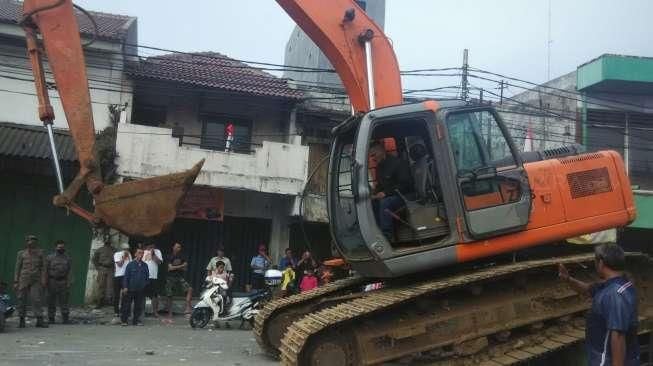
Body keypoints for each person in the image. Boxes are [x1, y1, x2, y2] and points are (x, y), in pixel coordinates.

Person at [558, 244, 639, 366]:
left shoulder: (614, 294)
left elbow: (618, 336)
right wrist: (568, 279)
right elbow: (587, 289)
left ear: (601, 263)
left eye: (595, 260)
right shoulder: (616, 284)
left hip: (606, 361)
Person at [369, 141, 412, 240]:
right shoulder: (379, 167)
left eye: (374, 155)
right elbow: (380, 185)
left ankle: (387, 236)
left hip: (405, 196)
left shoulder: (398, 163)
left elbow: (406, 185)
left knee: (385, 203)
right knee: (372, 203)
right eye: (371, 156)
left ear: (381, 151)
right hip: (391, 196)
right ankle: (377, 232)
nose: (373, 159)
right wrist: (374, 194)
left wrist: (385, 193)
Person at [14, 235, 48, 328]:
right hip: (23, 279)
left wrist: (44, 279)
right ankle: (21, 320)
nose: (31, 242)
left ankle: (39, 320)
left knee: (36, 299)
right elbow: (17, 268)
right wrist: (16, 281)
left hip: (36, 280)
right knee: (21, 299)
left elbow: (44, 267)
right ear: (26, 242)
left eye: (33, 241)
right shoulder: (21, 253)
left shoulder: (41, 253)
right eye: (29, 241)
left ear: (36, 243)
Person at [45, 240, 72, 324]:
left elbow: (70, 271)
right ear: (55, 247)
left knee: (64, 301)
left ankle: (65, 318)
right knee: (51, 301)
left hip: (63, 281)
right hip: (52, 281)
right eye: (59, 247)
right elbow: (45, 270)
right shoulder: (49, 258)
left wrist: (69, 282)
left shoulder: (67, 258)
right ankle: (51, 318)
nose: (61, 249)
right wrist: (45, 282)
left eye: (63, 247)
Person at [121, 248, 149, 326]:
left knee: (138, 306)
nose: (141, 254)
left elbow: (147, 277)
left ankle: (136, 321)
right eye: (139, 253)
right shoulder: (130, 265)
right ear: (135, 254)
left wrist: (144, 285)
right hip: (130, 288)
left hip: (140, 289)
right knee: (127, 305)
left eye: (142, 253)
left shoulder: (144, 265)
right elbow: (126, 277)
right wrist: (125, 287)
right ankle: (124, 321)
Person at [165, 242, 193, 317]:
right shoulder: (169, 256)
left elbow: (185, 268)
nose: (178, 248)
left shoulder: (182, 256)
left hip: (180, 277)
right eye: (177, 247)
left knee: (189, 289)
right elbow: (170, 268)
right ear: (173, 247)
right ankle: (170, 312)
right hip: (170, 277)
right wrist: (181, 266)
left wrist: (176, 267)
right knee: (169, 295)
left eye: (179, 247)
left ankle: (188, 309)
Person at [92, 240, 115, 308]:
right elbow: (94, 259)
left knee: (110, 286)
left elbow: (117, 259)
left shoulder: (114, 250)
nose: (107, 242)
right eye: (106, 241)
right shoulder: (99, 250)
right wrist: (98, 267)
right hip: (102, 268)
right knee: (101, 286)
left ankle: (109, 301)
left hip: (111, 269)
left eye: (109, 240)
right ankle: (99, 302)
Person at [143, 243, 162, 317]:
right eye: (150, 245)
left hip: (153, 276)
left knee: (154, 295)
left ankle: (155, 312)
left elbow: (159, 262)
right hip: (144, 276)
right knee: (143, 294)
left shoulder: (157, 251)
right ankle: (142, 311)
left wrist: (153, 254)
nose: (151, 247)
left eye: (153, 245)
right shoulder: (143, 252)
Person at [113, 243, 131, 316]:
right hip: (118, 276)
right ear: (122, 249)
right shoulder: (117, 254)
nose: (126, 250)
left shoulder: (129, 255)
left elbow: (130, 265)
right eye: (125, 249)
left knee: (126, 294)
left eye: (127, 249)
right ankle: (116, 311)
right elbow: (119, 265)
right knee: (117, 294)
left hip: (126, 276)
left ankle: (124, 310)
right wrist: (124, 257)